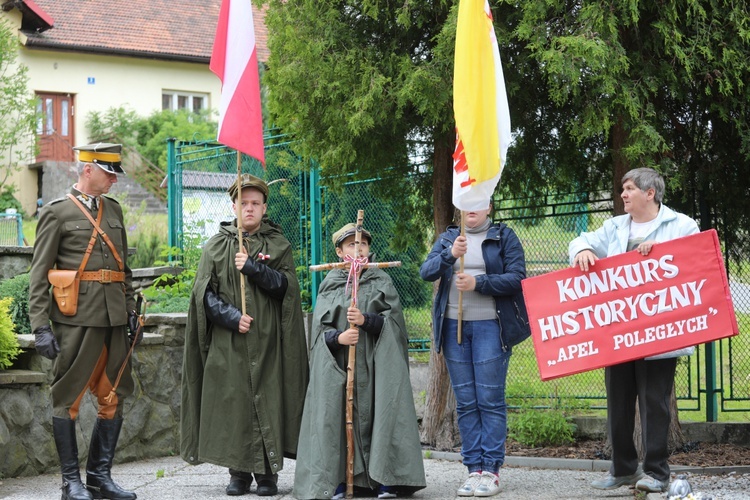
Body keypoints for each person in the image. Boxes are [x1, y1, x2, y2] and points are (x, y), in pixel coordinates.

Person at [569, 167, 699, 494]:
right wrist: (582, 250)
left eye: (628, 189)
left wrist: (662, 251)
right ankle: (623, 469)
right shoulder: (614, 226)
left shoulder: (681, 225)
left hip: (660, 332)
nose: (623, 195)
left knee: (654, 403)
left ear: (649, 193)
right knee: (619, 402)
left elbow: (698, 259)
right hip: (618, 332)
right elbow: (581, 241)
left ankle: (657, 473)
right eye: (622, 189)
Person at [180, 174, 309, 497]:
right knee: (234, 402)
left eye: (255, 203)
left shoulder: (279, 245)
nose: (249, 209)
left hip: (269, 343)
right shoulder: (216, 246)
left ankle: (267, 475)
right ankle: (238, 474)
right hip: (230, 341)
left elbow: (286, 289)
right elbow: (202, 296)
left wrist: (254, 268)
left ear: (264, 208)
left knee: (268, 399)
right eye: (243, 203)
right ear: (234, 206)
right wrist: (232, 317)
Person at [28, 143, 140, 500]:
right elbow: (39, 273)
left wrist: (130, 308)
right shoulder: (58, 212)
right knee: (69, 397)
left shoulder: (114, 211)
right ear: (87, 169)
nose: (113, 181)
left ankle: (98, 478)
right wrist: (40, 326)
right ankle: (69, 483)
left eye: (115, 174)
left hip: (113, 319)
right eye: (108, 173)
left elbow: (123, 268)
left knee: (113, 396)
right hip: (77, 319)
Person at [293, 223, 426, 500]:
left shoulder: (381, 281)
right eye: (352, 244)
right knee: (337, 418)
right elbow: (320, 332)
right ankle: (339, 479)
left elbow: (395, 325)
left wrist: (367, 321)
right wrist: (339, 339)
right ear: (340, 251)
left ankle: (386, 479)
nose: (358, 248)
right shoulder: (331, 283)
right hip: (341, 366)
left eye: (362, 244)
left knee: (382, 412)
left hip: (376, 366)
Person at [419, 207, 526, 498]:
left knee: (489, 400)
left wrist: (479, 283)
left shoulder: (503, 236)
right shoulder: (450, 238)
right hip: (454, 330)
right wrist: (450, 254)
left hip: (491, 328)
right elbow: (426, 272)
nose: (471, 211)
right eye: (466, 205)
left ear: (488, 206)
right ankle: (473, 470)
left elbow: (517, 278)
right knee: (466, 402)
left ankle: (491, 471)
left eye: (477, 205)